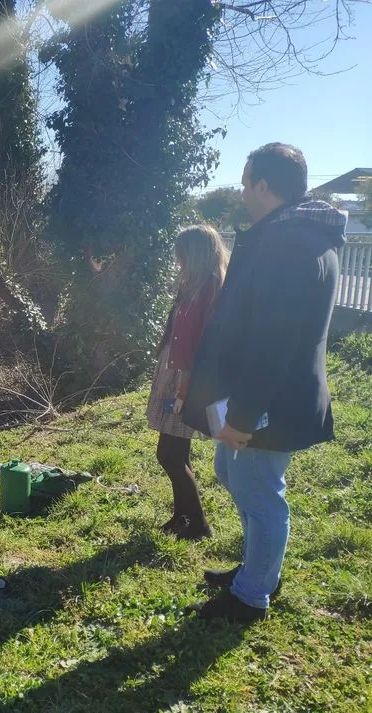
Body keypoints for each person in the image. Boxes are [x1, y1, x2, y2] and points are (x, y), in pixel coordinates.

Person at [182, 143, 346, 621]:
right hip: (263, 395)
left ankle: (252, 596)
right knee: (233, 475)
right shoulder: (291, 233)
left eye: (245, 179)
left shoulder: (290, 243)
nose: (240, 189)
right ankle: (258, 569)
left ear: (263, 185)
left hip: (269, 400)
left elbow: (274, 345)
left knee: (259, 491)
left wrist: (243, 416)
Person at [146, 225, 227, 541]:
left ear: (194, 254)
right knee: (179, 452)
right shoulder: (192, 285)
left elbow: (205, 344)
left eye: (181, 255)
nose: (177, 261)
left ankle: (198, 524)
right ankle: (182, 518)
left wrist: (184, 388)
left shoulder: (211, 289)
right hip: (174, 370)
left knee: (168, 454)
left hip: (186, 377)